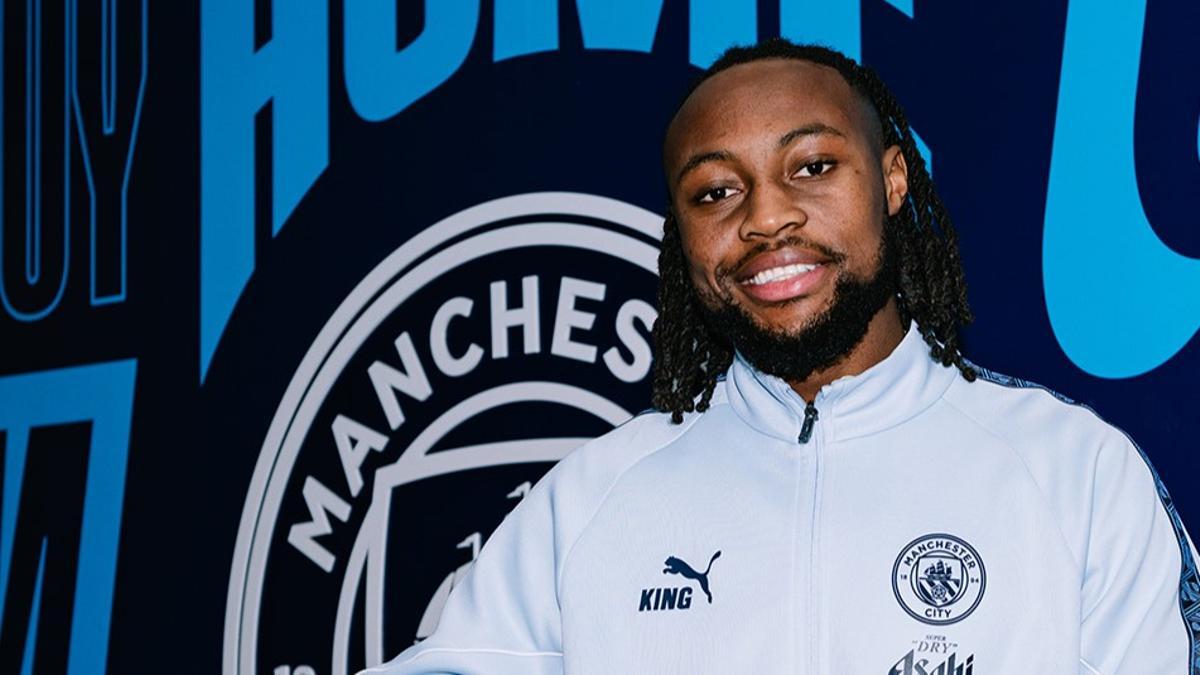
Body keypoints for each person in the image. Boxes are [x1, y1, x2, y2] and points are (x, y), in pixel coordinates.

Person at [362, 38, 1200, 674]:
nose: (766, 219)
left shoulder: (1074, 475)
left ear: (893, 178)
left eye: (812, 165)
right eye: (715, 191)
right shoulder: (587, 505)